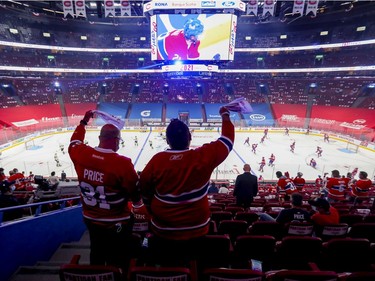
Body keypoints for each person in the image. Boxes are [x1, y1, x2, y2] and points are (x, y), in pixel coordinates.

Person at [139, 106, 234, 265]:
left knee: (167, 264)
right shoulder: (202, 157)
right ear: (190, 137)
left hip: (163, 229)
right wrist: (224, 114)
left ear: (167, 140)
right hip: (197, 228)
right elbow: (227, 140)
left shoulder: (156, 161)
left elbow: (144, 191)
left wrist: (151, 209)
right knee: (193, 262)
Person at [68, 110, 140, 271]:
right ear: (116, 141)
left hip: (90, 218)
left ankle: (97, 273)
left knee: (97, 251)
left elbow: (74, 142)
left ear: (100, 139)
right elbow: (135, 195)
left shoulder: (81, 154)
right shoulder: (122, 163)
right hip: (117, 221)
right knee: (120, 256)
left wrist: (84, 122)